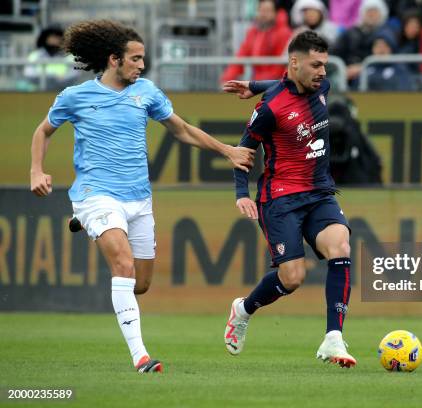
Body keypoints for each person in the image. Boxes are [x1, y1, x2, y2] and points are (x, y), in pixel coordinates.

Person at [29, 19, 255, 373]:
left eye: (143, 58)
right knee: (122, 263)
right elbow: (42, 132)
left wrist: (227, 151)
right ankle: (141, 356)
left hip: (138, 199)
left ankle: (85, 221)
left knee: (141, 283)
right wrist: (36, 171)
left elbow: (181, 129)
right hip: (97, 193)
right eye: (135, 58)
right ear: (113, 59)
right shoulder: (75, 97)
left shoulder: (146, 92)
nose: (142, 65)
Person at [222, 30, 356, 368]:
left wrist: (253, 83)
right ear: (295, 62)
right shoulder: (268, 109)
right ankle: (244, 309)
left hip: (319, 192)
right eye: (316, 65)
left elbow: (286, 83)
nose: (323, 72)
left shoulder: (320, 87)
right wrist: (241, 193)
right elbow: (243, 151)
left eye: (324, 64)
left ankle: (333, 338)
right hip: (280, 198)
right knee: (292, 278)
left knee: (340, 245)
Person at [220, 0, 293, 83]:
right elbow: (241, 56)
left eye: (267, 11)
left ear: (275, 13)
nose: (263, 14)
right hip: (257, 83)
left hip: (277, 85)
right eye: (260, 10)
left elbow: (280, 66)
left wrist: (261, 83)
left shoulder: (284, 33)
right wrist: (228, 78)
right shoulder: (253, 32)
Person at [23, 26, 80, 91]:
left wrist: (46, 78)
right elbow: (29, 74)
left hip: (62, 93)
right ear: (45, 38)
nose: (55, 40)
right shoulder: (35, 55)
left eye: (57, 37)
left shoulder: (69, 57)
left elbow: (73, 75)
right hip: (38, 93)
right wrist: (54, 77)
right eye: (52, 37)